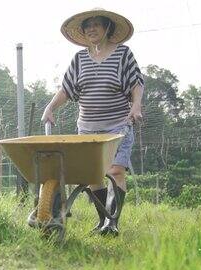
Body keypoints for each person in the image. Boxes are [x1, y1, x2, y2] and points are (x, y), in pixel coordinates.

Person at [39, 8, 144, 236]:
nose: (91, 29)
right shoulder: (80, 59)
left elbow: (136, 83)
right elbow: (66, 89)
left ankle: (112, 223)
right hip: (87, 127)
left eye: (97, 24)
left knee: (115, 171)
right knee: (95, 175)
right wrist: (50, 107)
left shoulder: (123, 54)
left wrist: (136, 106)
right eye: (88, 26)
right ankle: (103, 221)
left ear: (108, 28)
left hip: (118, 126)